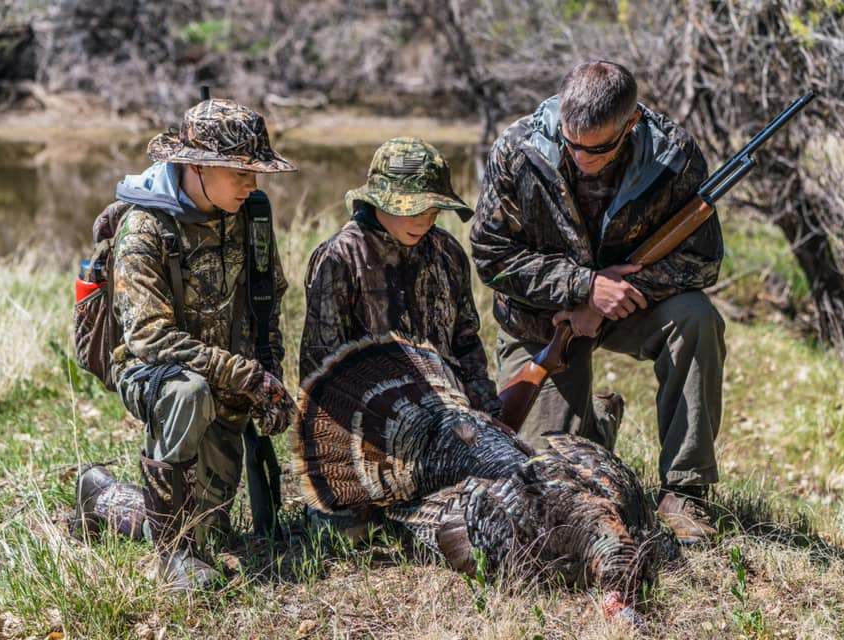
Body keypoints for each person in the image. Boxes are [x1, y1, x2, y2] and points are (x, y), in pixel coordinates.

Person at [471, 60, 726, 544]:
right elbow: (490, 256)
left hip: (631, 307)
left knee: (696, 318)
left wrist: (614, 296)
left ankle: (686, 492)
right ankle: (598, 422)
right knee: (543, 481)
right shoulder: (517, 149)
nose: (583, 157)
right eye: (572, 143)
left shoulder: (674, 155)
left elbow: (703, 261)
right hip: (541, 321)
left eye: (599, 148)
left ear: (631, 124)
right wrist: (582, 287)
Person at [72, 99, 295, 589]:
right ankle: (174, 559)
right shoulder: (144, 227)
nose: (251, 184)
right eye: (239, 172)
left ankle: (100, 498)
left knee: (208, 524)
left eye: (255, 172)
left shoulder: (252, 216)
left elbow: (265, 302)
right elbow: (149, 338)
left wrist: (268, 374)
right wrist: (244, 375)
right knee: (186, 392)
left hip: (227, 375)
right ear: (197, 166)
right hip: (153, 373)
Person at [298, 137, 500, 534]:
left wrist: (486, 411)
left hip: (445, 432)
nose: (424, 218)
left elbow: (466, 340)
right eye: (411, 207)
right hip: (365, 442)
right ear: (378, 201)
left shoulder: (448, 253)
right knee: (351, 534)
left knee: (487, 512)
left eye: (432, 207)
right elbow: (318, 374)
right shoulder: (340, 258)